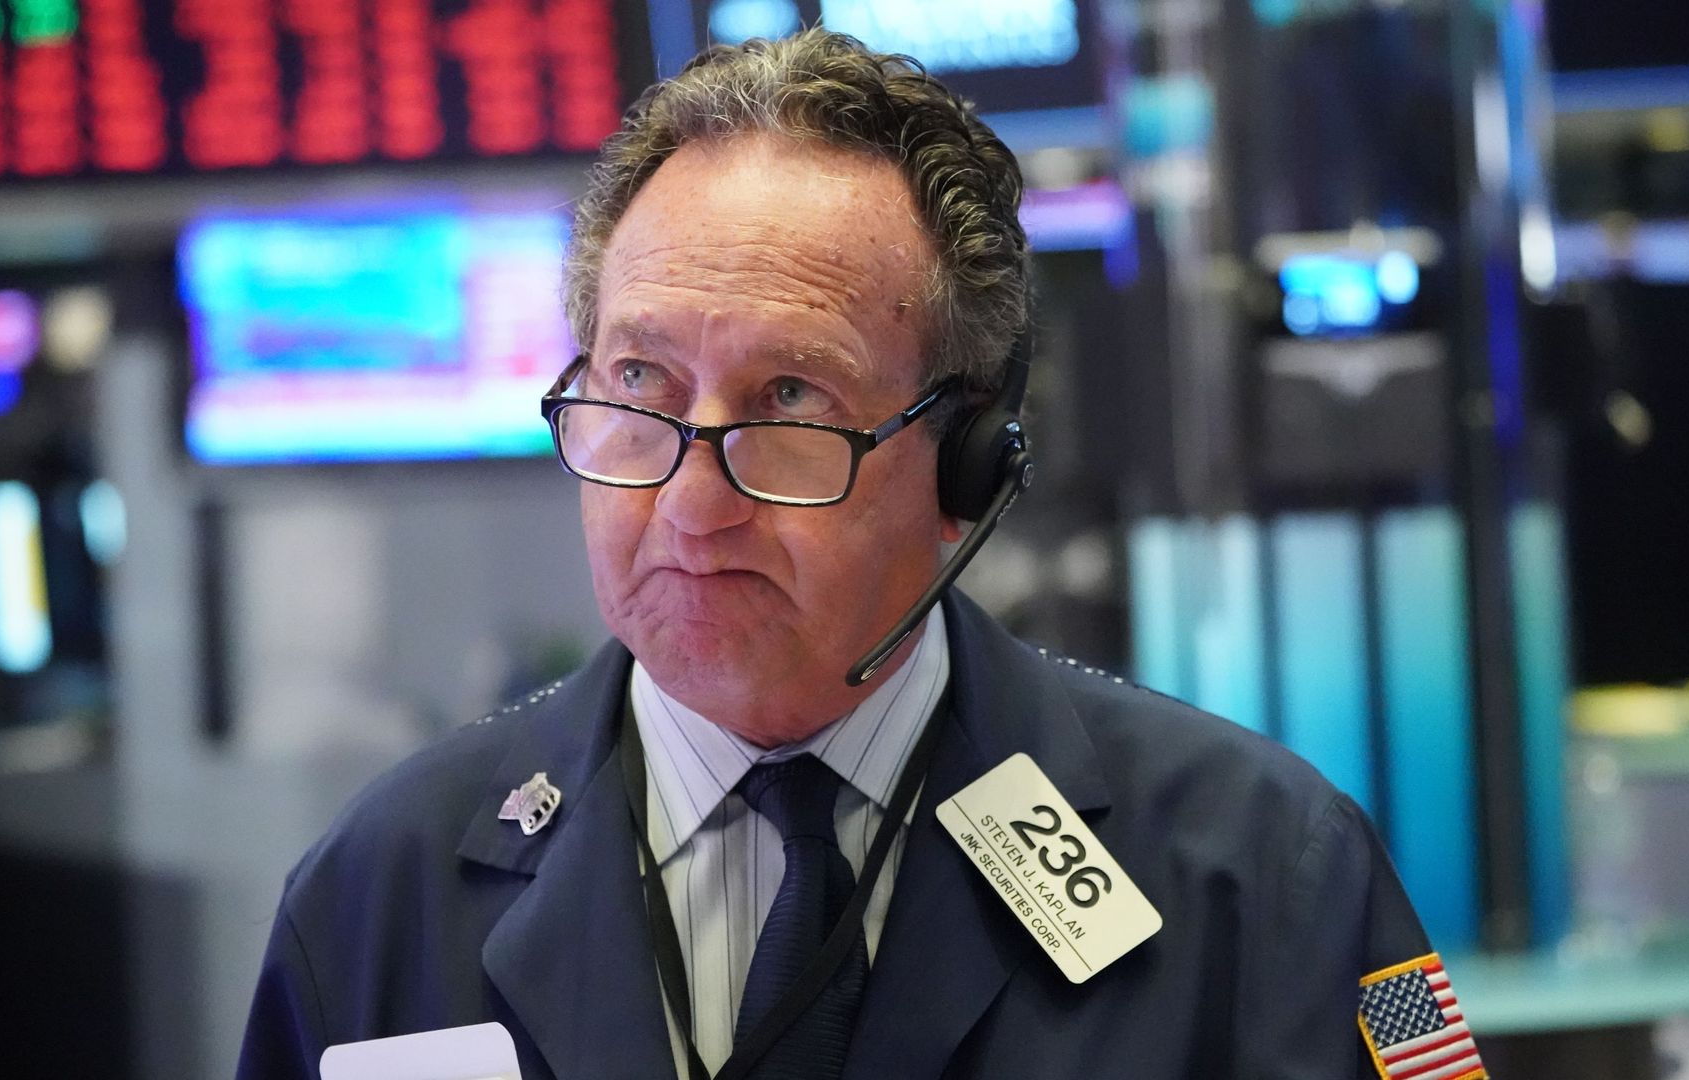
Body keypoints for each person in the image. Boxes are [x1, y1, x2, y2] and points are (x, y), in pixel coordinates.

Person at [238, 29, 1483, 1080]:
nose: (689, 503)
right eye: (638, 382)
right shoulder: (374, 899)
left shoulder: (1273, 873)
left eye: (789, 402)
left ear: (968, 468)